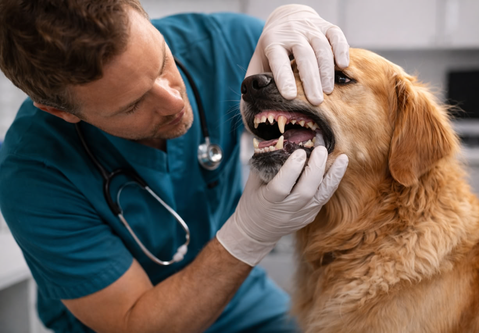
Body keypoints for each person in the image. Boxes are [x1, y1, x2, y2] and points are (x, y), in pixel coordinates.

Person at [0, 1, 349, 332]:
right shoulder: (31, 173)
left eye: (163, 62)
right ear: (61, 111)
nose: (173, 101)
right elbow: (133, 323)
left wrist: (303, 25)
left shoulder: (224, 46)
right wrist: (247, 237)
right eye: (132, 105)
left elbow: (357, 119)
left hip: (243, 304)